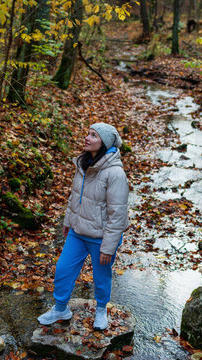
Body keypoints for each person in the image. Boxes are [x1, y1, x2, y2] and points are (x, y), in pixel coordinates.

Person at [37, 123, 129, 330]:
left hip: (101, 237)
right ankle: (61, 309)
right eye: (88, 133)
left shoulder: (115, 173)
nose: (87, 138)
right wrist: (68, 221)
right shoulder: (83, 164)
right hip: (78, 232)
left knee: (101, 277)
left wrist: (108, 246)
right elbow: (75, 197)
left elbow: (118, 214)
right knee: (63, 269)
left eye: (93, 135)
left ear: (104, 143)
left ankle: (100, 310)